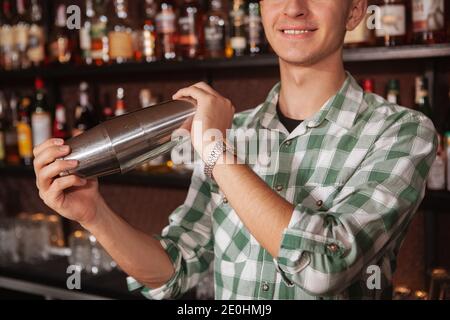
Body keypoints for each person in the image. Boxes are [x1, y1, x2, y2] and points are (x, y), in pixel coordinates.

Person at [33, 0, 437, 299]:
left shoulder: (401, 132)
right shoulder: (232, 132)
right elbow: (173, 271)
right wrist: (94, 215)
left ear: (354, 12)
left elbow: (324, 266)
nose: (294, 9)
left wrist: (214, 151)